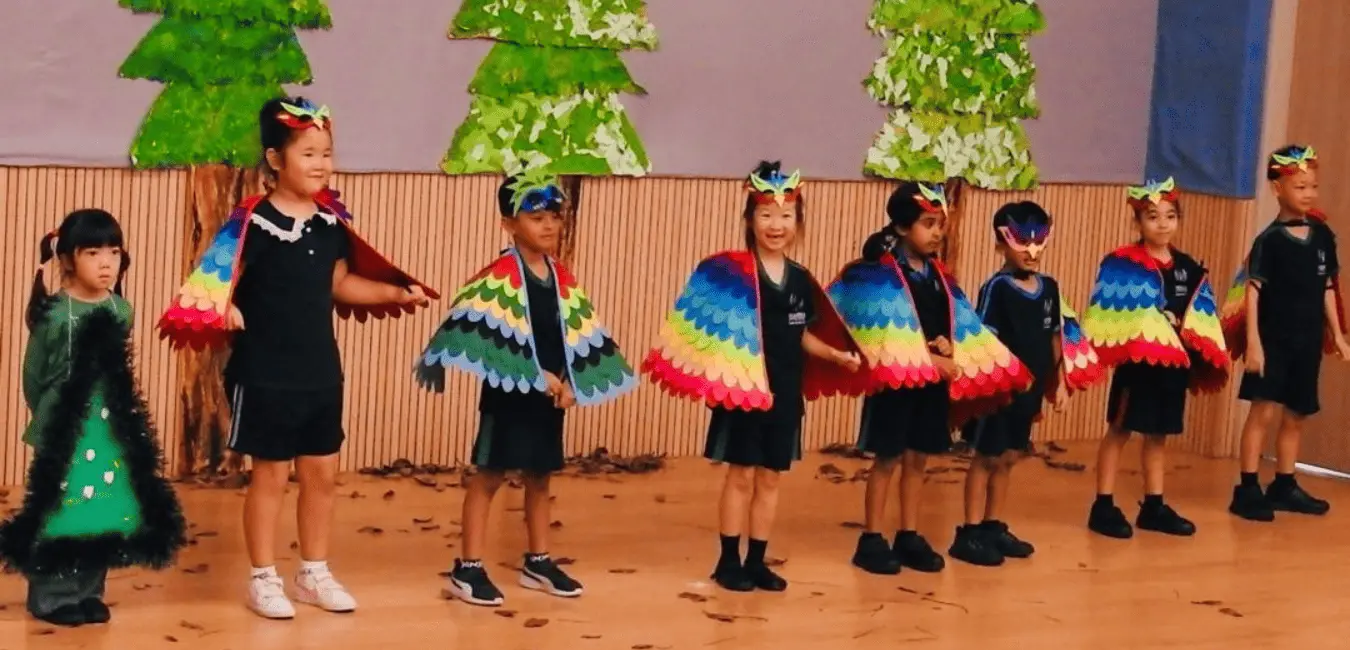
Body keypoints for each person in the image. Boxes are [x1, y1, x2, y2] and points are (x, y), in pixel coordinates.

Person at [159, 97, 436, 620]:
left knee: (322, 475)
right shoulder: (252, 223)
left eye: (326, 153)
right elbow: (215, 281)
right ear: (274, 158)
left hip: (320, 372)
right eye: (308, 153)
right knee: (270, 476)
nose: (321, 163)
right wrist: (224, 307)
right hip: (264, 374)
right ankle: (263, 578)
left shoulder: (330, 224)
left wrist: (394, 293)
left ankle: (313, 572)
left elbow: (341, 284)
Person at [419, 169, 636, 607]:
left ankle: (538, 560)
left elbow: (578, 333)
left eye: (554, 216)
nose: (549, 225)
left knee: (540, 475)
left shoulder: (562, 278)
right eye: (536, 217)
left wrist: (572, 380)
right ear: (509, 224)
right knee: (489, 476)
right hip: (507, 399)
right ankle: (468, 567)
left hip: (550, 399)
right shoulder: (499, 278)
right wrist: (536, 374)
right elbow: (480, 333)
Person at [643, 161, 864, 592]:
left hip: (785, 395)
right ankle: (728, 562)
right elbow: (709, 332)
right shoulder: (734, 275)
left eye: (786, 215)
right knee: (741, 476)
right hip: (743, 396)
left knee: (770, 478)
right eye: (765, 214)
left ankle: (757, 561)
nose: (775, 224)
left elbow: (802, 335)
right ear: (749, 220)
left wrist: (837, 355)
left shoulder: (800, 280)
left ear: (798, 221)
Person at [829, 181, 1032, 575]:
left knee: (918, 459)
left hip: (929, 387)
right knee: (887, 460)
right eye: (928, 223)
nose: (938, 232)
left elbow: (957, 321)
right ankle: (872, 538)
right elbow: (882, 335)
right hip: (894, 387)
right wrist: (927, 357)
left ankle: (908, 534)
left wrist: (948, 343)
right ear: (903, 227)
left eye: (941, 224)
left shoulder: (939, 275)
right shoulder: (881, 275)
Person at [1, 210, 186, 627]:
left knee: (103, 504)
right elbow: (34, 376)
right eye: (92, 253)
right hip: (65, 428)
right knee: (61, 507)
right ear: (67, 259)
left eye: (114, 252)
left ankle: (88, 591)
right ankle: (51, 597)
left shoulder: (121, 310)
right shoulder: (55, 314)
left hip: (108, 428)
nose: (106, 263)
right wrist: (54, 417)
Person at [950, 201, 1104, 566]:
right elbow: (984, 338)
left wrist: (1060, 382)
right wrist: (991, 386)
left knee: (1009, 457)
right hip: (1000, 393)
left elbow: (1056, 337)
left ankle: (993, 525)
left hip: (1030, 392)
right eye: (1021, 242)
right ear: (1000, 244)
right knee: (985, 457)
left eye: (1038, 241)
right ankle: (969, 532)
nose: (1031, 251)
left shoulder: (1050, 288)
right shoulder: (996, 288)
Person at [1083, 178, 1229, 539]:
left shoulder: (1188, 267)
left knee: (1158, 435)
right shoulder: (1123, 264)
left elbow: (1201, 313)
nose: (1162, 224)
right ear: (1137, 222)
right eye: (1152, 216)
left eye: (1170, 216)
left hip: (1172, 369)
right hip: (1137, 369)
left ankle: (1153, 505)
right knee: (1120, 430)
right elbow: (1110, 313)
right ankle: (1103, 504)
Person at [1223, 145, 1350, 521]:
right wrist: (1254, 343)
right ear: (1277, 188)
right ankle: (1248, 487)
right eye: (1300, 187)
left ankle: (1284, 483)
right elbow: (1253, 292)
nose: (1308, 194)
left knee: (1296, 414)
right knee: (1263, 412)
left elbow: (1328, 287)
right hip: (1272, 342)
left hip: (1306, 342)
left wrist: (1338, 335)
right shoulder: (1269, 241)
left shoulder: (1323, 236)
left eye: (1313, 186)